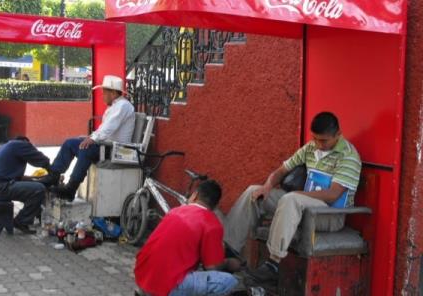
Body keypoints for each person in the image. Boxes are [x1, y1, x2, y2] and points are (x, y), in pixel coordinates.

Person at [223, 112, 362, 282]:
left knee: (291, 199)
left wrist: (298, 194)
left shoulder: (349, 156)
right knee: (254, 192)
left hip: (329, 215)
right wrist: (267, 186)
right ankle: (227, 249)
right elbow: (282, 170)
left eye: (324, 141)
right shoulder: (310, 148)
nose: (318, 144)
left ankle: (272, 264)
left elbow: (333, 195)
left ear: (338, 135)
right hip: (301, 205)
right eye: (315, 139)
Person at [135, 180, 241, 296]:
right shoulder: (212, 223)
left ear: (195, 195)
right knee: (229, 281)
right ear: (215, 206)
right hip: (166, 286)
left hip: (142, 276)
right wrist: (229, 262)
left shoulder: (175, 211)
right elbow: (213, 267)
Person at [39, 75, 135, 201]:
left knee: (87, 148)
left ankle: (71, 188)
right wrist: (90, 137)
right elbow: (103, 129)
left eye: (104, 93)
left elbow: (109, 128)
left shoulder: (123, 106)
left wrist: (93, 139)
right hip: (106, 145)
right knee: (70, 143)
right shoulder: (116, 106)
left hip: (116, 150)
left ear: (112, 93)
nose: (102, 96)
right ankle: (54, 175)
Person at [0, 136, 50, 234]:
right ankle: (21, 221)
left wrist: (37, 179)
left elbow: (17, 177)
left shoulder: (6, 146)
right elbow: (43, 160)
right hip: (2, 188)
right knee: (39, 189)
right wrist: (53, 171)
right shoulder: (20, 145)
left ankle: (32, 216)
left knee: (34, 188)